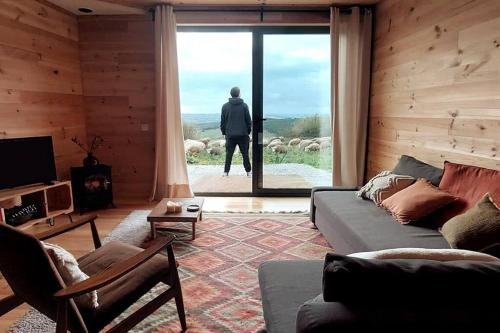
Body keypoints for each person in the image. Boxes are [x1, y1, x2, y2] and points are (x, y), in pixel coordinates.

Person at [220, 87, 252, 177]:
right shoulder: (244, 106)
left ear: (231, 94)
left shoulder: (225, 106)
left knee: (229, 154)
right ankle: (249, 172)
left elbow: (223, 122)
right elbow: (248, 121)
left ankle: (226, 172)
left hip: (230, 135)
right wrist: (247, 132)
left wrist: (224, 133)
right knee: (245, 154)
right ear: (239, 94)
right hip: (243, 135)